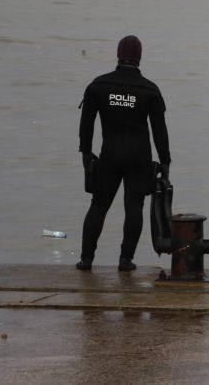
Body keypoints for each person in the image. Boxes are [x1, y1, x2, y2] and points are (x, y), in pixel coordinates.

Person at [76, 35, 171, 272]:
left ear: (118, 55)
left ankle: (86, 259)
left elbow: (85, 124)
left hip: (110, 155)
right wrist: (165, 161)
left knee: (98, 205)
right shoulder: (150, 90)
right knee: (134, 207)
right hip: (139, 157)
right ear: (139, 58)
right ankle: (125, 260)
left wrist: (86, 154)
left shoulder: (98, 85)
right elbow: (160, 130)